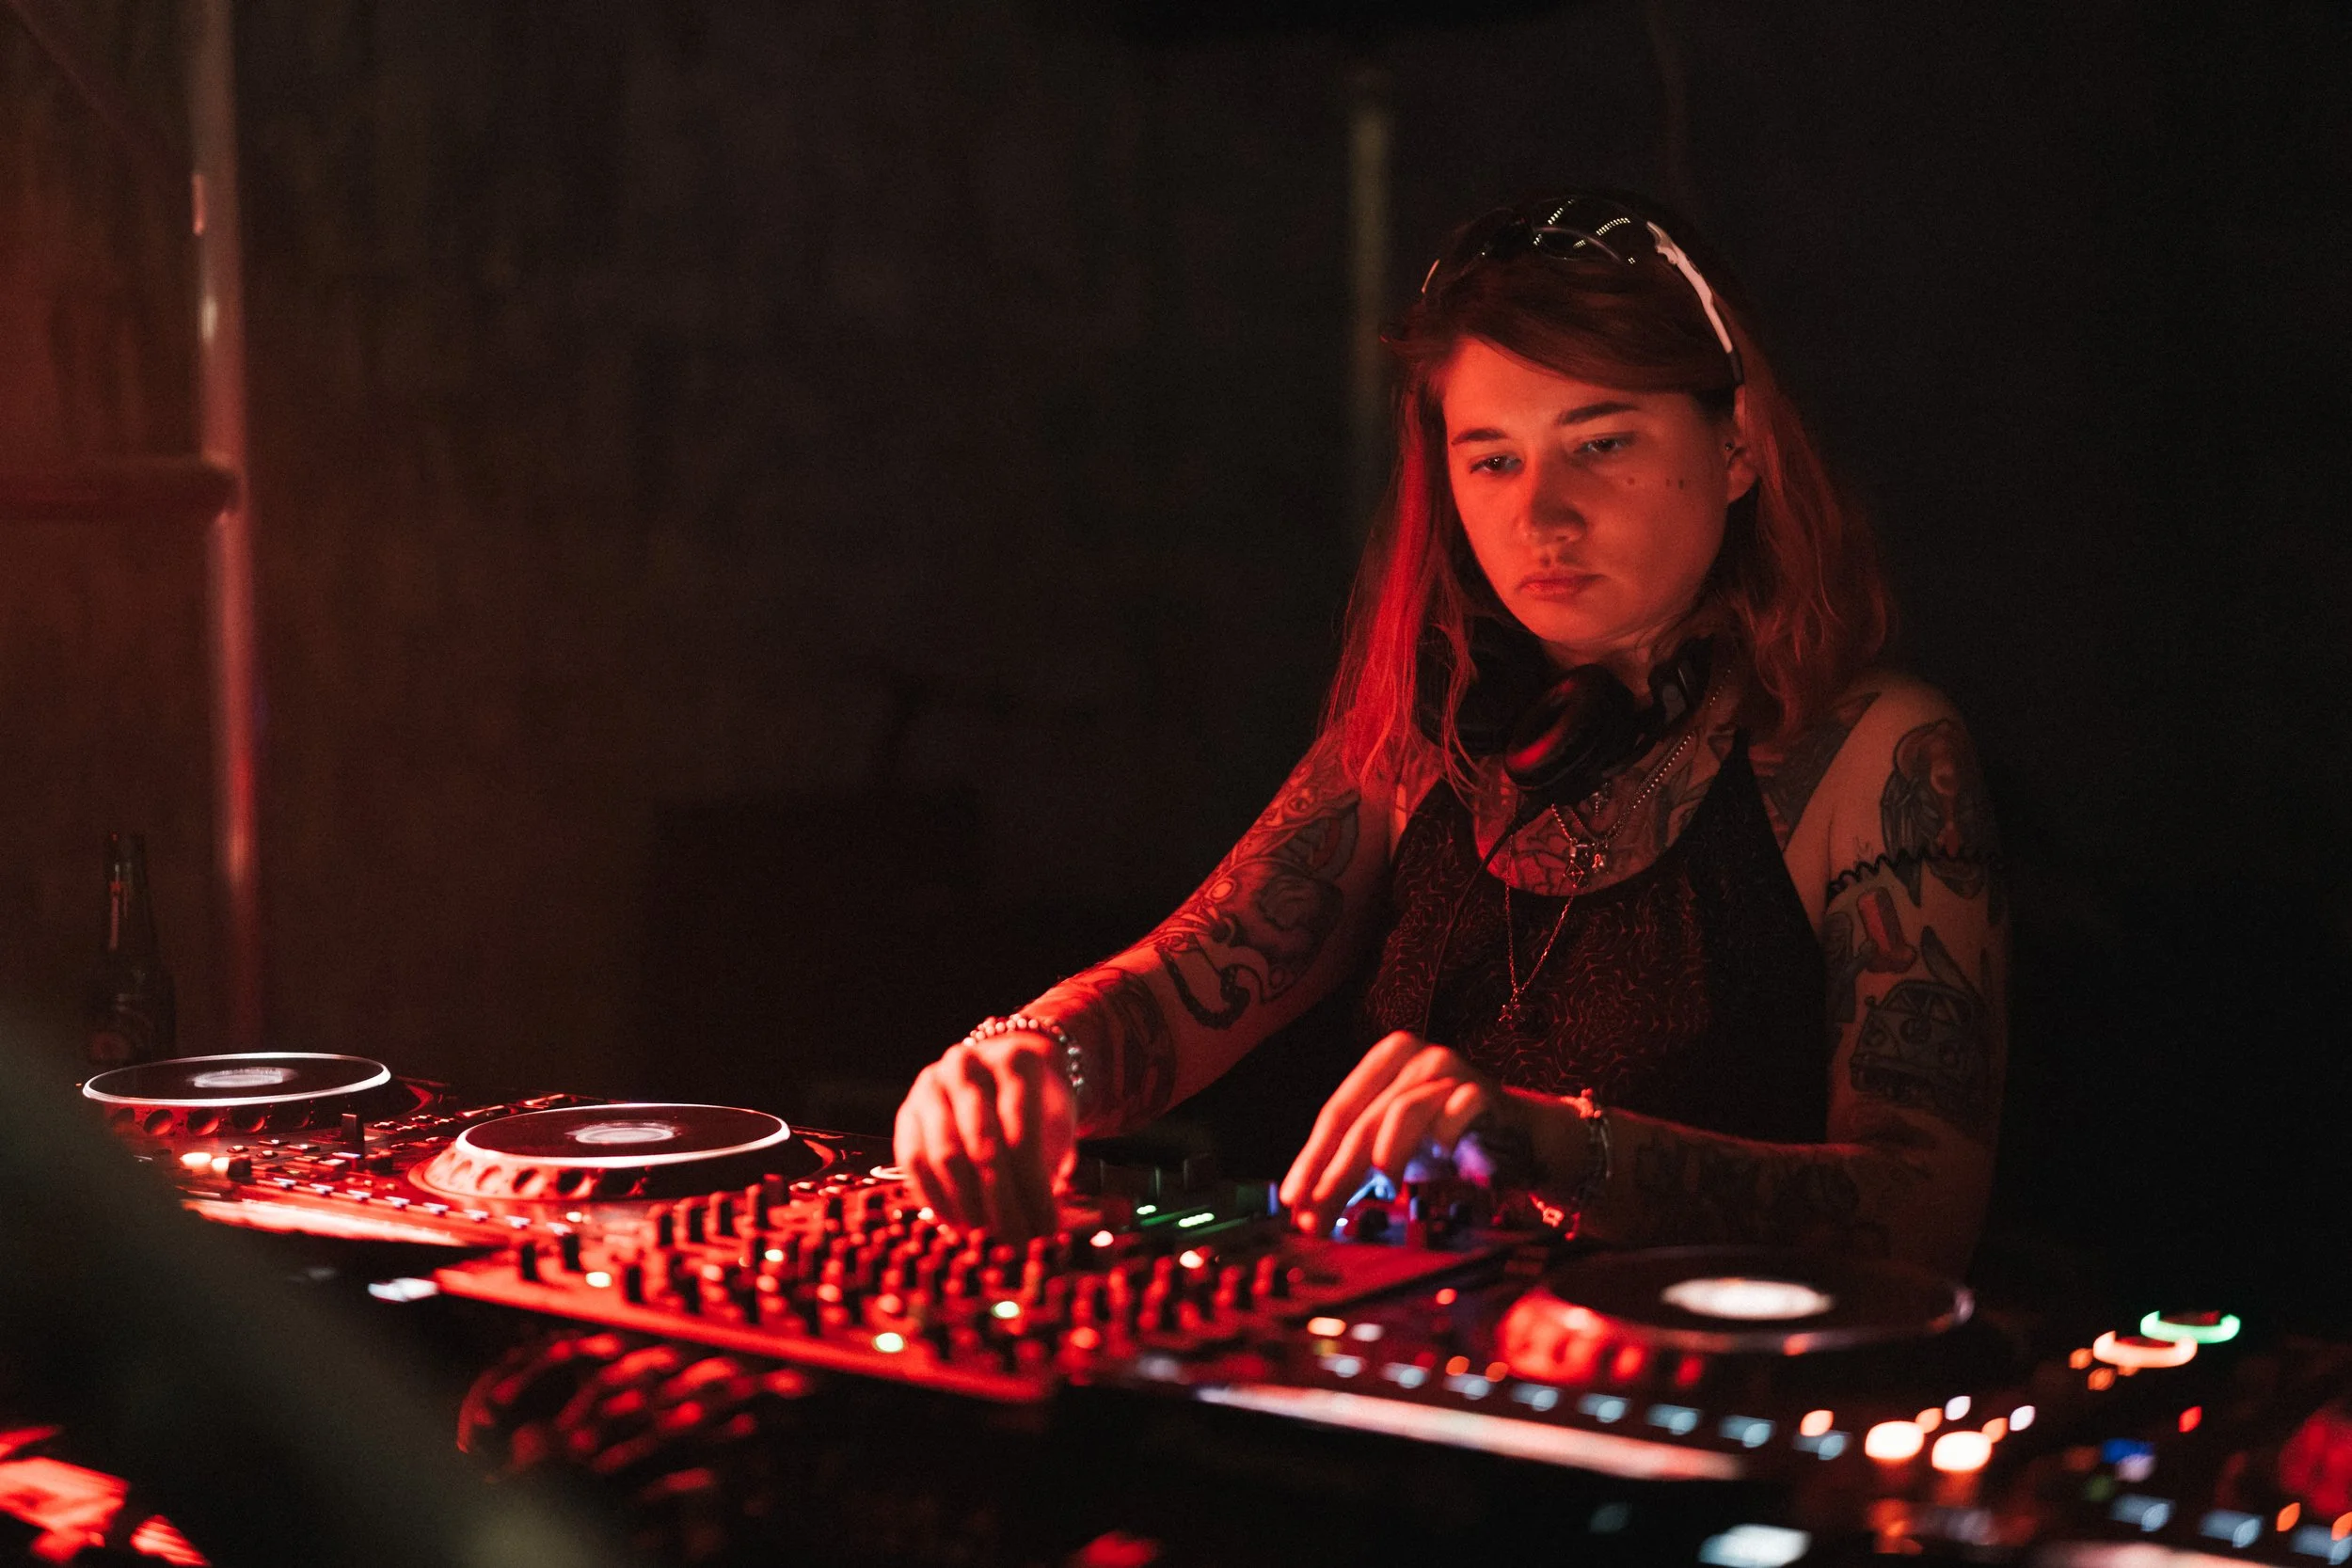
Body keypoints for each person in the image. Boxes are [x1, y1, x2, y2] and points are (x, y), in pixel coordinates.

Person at [892, 192, 2004, 1277]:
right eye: (1492, 458)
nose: (1540, 514)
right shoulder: (1427, 732)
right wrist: (1029, 1058)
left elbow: (1922, 1215)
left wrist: (1554, 1144)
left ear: (1738, 447)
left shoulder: (1877, 755)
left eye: (1601, 442)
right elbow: (1192, 974)